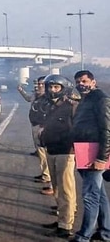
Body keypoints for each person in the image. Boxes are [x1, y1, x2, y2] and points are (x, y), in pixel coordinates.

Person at [70, 70, 110, 242]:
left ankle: (83, 237)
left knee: (90, 195)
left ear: (93, 82)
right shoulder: (87, 99)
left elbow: (107, 130)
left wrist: (102, 158)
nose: (81, 84)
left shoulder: (100, 99)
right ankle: (105, 232)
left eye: (85, 81)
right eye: (78, 81)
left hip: (94, 152)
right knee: (99, 195)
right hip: (85, 150)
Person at [37, 75, 77, 238]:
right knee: (57, 189)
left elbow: (76, 129)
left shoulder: (71, 106)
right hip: (51, 150)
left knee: (66, 189)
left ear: (63, 88)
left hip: (65, 152)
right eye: (50, 87)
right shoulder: (49, 106)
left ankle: (66, 225)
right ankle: (61, 219)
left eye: (56, 87)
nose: (52, 90)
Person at [18, 76, 53, 195]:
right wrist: (21, 91)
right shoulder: (36, 96)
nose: (39, 86)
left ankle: (47, 175)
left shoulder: (48, 98)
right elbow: (28, 98)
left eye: (42, 84)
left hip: (42, 127)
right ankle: (45, 173)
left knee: (44, 152)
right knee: (40, 152)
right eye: (38, 84)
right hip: (35, 125)